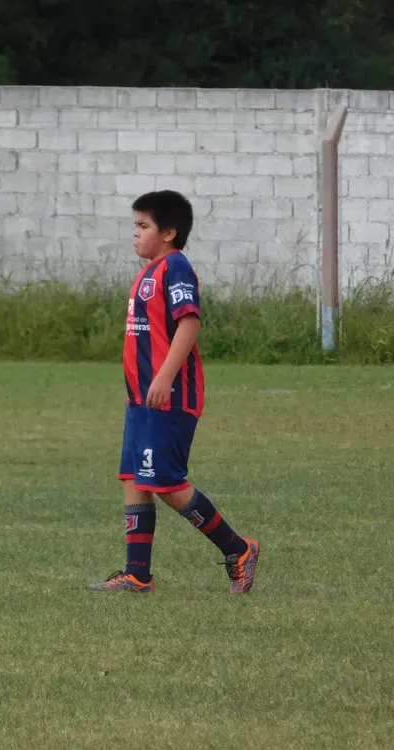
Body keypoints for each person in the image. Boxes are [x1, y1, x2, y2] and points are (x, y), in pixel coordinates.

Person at [90, 190, 259, 594]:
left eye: (143, 226)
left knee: (165, 482)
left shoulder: (175, 268)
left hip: (169, 397)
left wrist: (164, 377)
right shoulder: (148, 271)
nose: (135, 233)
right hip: (142, 400)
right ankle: (137, 575)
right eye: (135, 225)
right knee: (134, 477)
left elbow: (189, 323)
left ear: (169, 232)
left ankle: (238, 550)